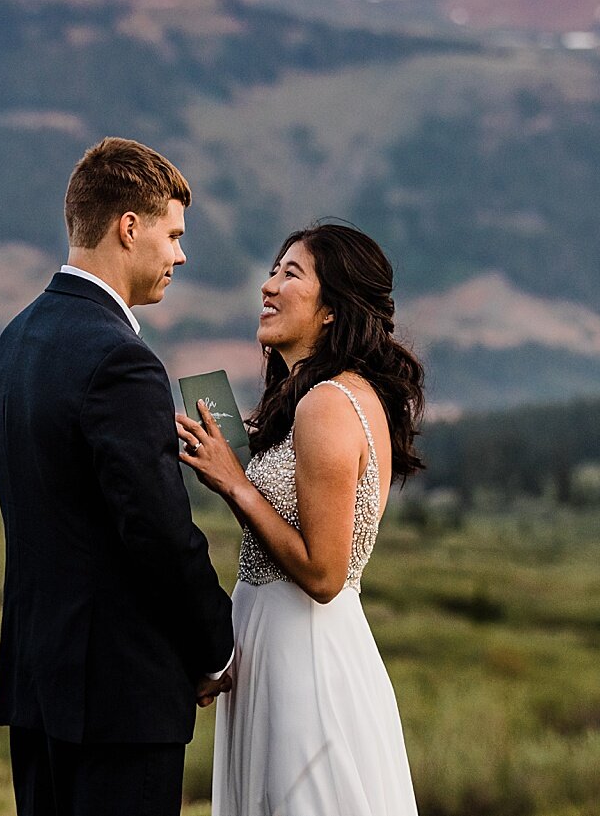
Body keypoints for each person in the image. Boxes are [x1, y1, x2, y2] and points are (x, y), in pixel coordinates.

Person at [0, 136, 235, 816]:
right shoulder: (120, 360)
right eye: (173, 234)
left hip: (40, 682)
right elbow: (156, 529)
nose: (180, 254)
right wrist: (216, 644)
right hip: (118, 699)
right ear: (130, 227)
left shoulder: (14, 342)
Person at [177, 222, 424, 816]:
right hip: (275, 645)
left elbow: (323, 574)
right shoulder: (316, 398)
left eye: (291, 274)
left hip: (302, 658)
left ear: (333, 309)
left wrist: (236, 484)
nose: (268, 287)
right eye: (272, 270)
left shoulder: (328, 404)